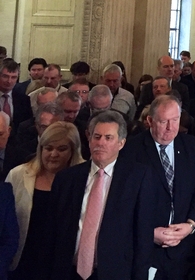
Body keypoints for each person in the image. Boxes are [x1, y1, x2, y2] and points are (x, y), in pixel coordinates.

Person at [48, 110, 155, 280]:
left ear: (121, 143)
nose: (101, 143)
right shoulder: (67, 178)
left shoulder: (138, 178)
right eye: (96, 137)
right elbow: (52, 231)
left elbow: (143, 236)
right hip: (68, 271)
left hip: (113, 273)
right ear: (89, 139)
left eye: (108, 138)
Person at [120, 94, 195, 279]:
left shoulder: (191, 146)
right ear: (149, 121)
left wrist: (191, 225)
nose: (170, 128)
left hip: (184, 251)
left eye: (175, 120)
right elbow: (123, 203)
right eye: (163, 121)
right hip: (146, 250)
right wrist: (147, 233)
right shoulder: (131, 150)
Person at [6, 122, 83, 279]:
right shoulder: (19, 175)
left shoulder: (83, 179)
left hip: (63, 264)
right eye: (48, 148)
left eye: (61, 149)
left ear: (73, 151)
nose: (53, 154)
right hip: (24, 260)